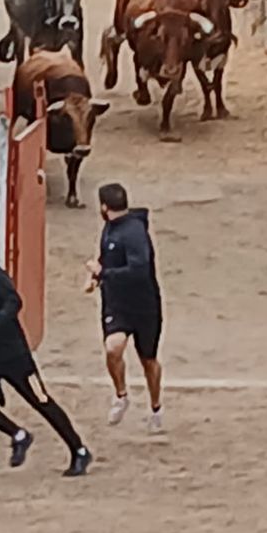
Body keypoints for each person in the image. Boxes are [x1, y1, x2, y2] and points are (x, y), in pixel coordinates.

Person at [0, 231, 91, 476]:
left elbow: (14, 301)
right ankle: (18, 434)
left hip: (15, 356)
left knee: (42, 401)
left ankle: (78, 450)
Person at [87, 183, 164, 432]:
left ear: (104, 206)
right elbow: (106, 258)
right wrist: (96, 279)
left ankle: (155, 407)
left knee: (148, 361)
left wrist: (104, 273)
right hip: (117, 303)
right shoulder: (110, 228)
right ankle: (121, 395)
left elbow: (138, 270)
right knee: (113, 348)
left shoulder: (134, 233)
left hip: (144, 306)